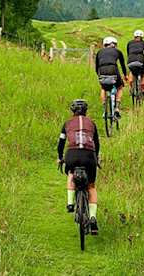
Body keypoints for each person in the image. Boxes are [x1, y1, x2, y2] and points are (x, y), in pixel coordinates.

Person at [57, 99, 100, 234]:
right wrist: (96, 157)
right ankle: (92, 217)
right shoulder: (92, 123)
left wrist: (60, 157)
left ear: (72, 111)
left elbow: (61, 143)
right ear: (86, 111)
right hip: (89, 156)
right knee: (91, 186)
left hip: (72, 154)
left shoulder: (67, 123)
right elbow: (97, 143)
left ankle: (70, 203)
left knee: (71, 173)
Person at [94, 36, 127, 118]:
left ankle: (104, 108)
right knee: (120, 87)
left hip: (102, 71)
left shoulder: (99, 52)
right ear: (115, 44)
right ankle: (117, 107)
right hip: (113, 69)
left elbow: (96, 67)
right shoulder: (118, 51)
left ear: (104, 44)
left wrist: (99, 76)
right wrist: (125, 75)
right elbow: (123, 65)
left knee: (103, 88)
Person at [126, 30, 144, 95]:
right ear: (142, 37)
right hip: (140, 60)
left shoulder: (129, 43)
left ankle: (131, 87)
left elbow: (128, 53)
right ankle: (142, 90)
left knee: (131, 71)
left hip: (130, 60)